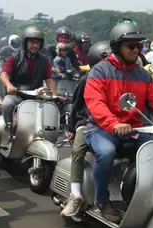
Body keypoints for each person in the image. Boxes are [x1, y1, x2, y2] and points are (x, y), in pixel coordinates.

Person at [83, 22, 153, 222]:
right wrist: (113, 123)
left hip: (132, 129)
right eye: (131, 46)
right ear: (117, 47)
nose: (136, 50)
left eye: (139, 46)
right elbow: (95, 103)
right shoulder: (100, 71)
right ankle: (102, 200)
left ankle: (139, 192)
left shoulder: (143, 75)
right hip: (101, 129)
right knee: (107, 152)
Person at [61, 41, 112, 217]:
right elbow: (75, 106)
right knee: (78, 149)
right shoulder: (86, 79)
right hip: (86, 122)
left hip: (110, 123)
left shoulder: (115, 79)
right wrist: (71, 128)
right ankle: (75, 194)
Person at [0, 26, 58, 128]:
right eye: (32, 42)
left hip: (37, 97)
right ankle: (8, 130)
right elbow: (4, 74)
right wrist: (9, 85)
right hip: (17, 95)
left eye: (38, 43)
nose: (35, 45)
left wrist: (54, 96)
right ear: (25, 42)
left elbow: (49, 81)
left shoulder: (44, 61)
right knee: (7, 104)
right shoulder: (14, 57)